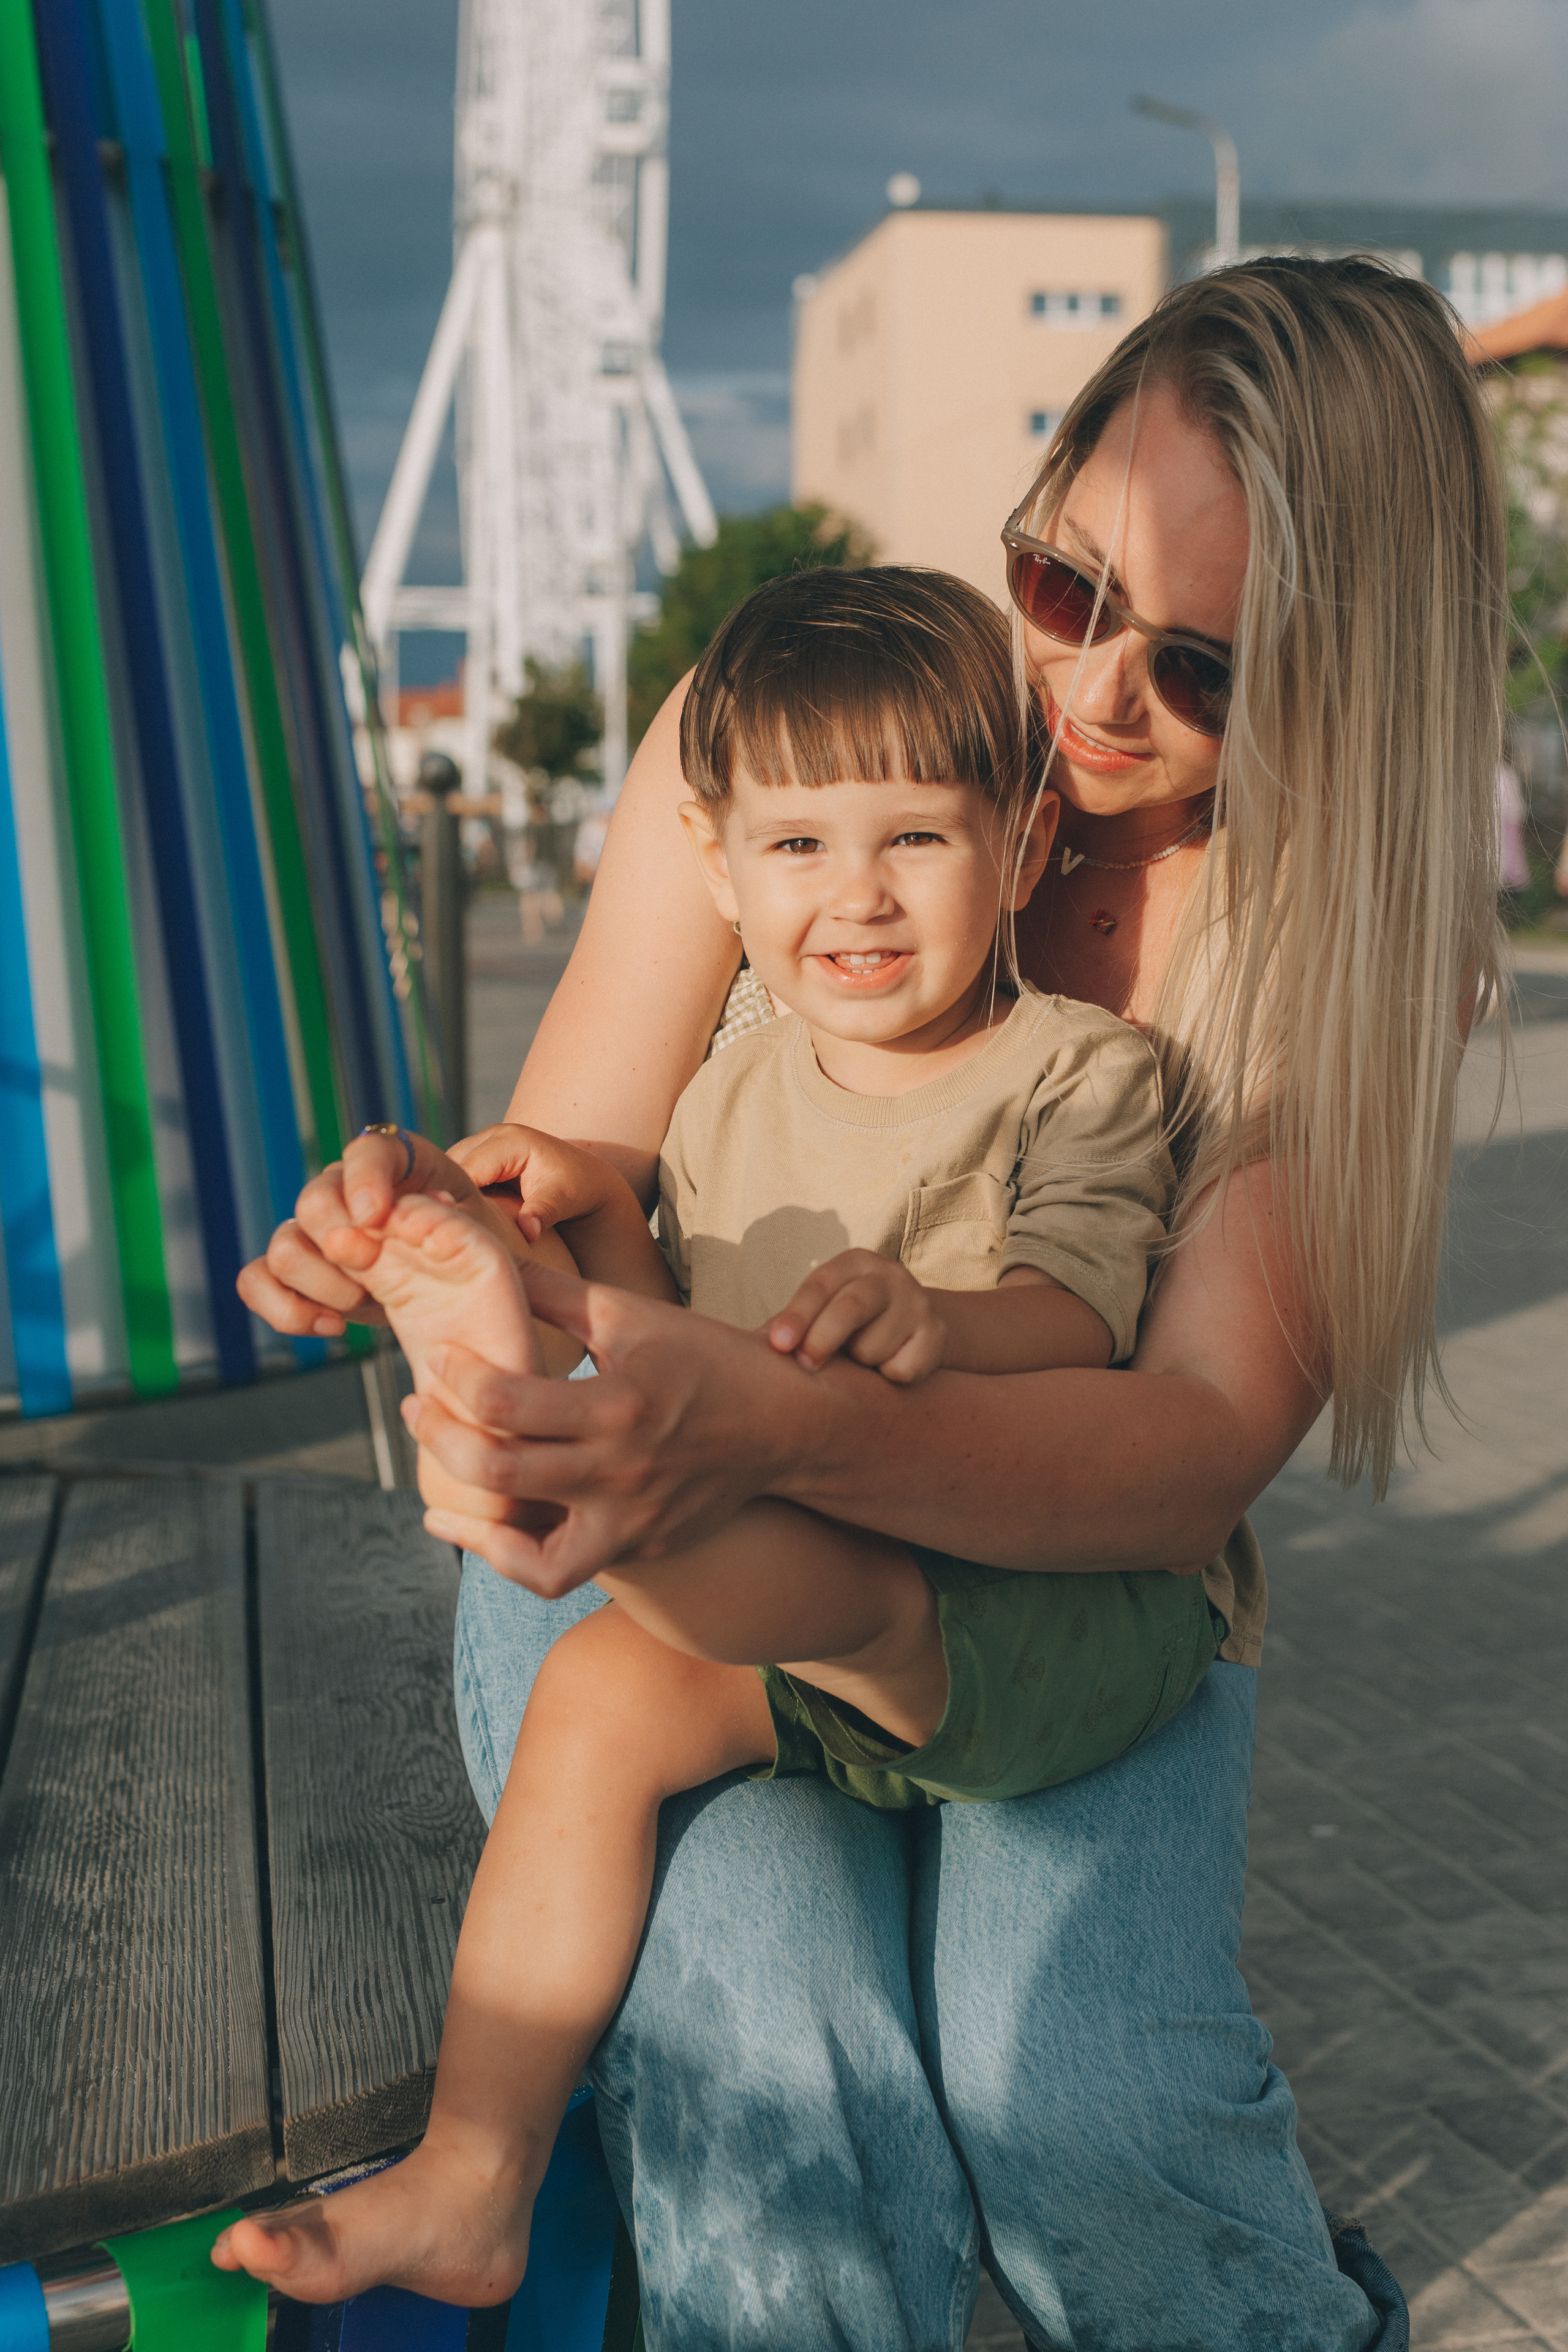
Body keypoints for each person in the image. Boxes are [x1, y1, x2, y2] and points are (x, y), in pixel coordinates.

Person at [239, 258, 1501, 2350]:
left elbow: (1184, 1446)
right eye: (1068, 584)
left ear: (1338, 687)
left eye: (1199, 666)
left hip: (1049, 1575)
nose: (1089, 699)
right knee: (779, 2057)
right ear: (1041, 484)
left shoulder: (1334, 934)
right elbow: (588, 1171)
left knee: (1083, 2107)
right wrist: (434, 1225)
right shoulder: (800, 714)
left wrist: (768, 1411)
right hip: (693, 1548)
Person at [214, 566, 1226, 2305]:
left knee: (653, 1507)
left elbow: (1078, 1311)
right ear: (715, 859)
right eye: (800, 848)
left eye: (916, 839)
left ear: (1028, 838)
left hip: (1026, 1611)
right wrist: (575, 1216)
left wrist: (940, 1326)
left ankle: (535, 1440)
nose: (859, 897)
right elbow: (688, 1334)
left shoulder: (1078, 1071)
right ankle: (476, 2170)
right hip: (821, 1613)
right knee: (601, 1691)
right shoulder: (736, 1085)